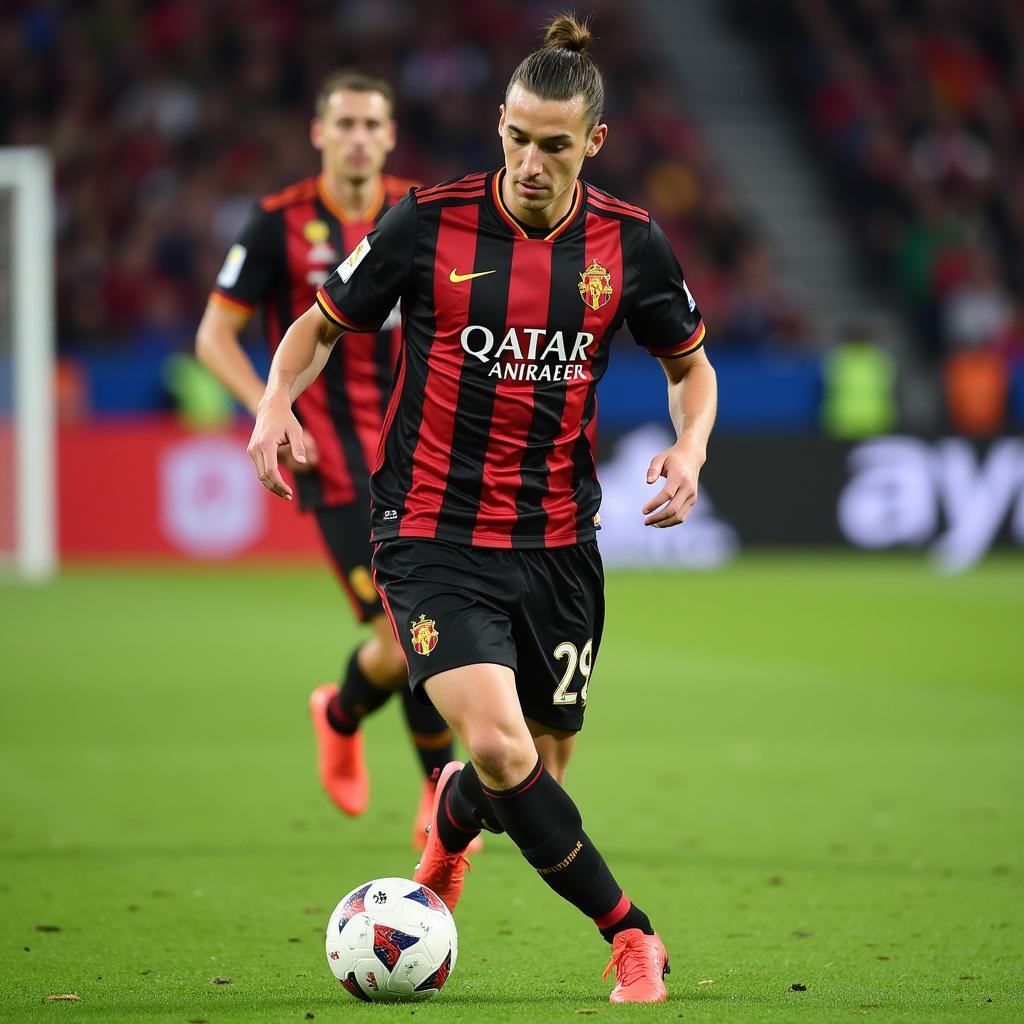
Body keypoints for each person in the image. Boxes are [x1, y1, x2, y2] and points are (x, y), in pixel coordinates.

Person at [248, 17, 717, 1005]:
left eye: (555, 144)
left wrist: (690, 441)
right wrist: (273, 403)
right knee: (504, 749)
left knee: (531, 769)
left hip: (556, 541)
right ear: (497, 123)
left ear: (593, 142)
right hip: (428, 533)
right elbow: (315, 327)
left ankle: (449, 830)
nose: (531, 161)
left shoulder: (628, 243)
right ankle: (631, 934)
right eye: (517, 137)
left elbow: (691, 368)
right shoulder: (428, 221)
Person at [196, 71, 470, 851]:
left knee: (413, 633)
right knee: (410, 627)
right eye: (343, 122)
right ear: (319, 133)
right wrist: (269, 403)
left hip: (425, 455)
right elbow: (214, 337)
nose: (356, 136)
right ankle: (437, 789)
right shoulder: (277, 222)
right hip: (336, 465)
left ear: (389, 136)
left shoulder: (421, 215)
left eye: (370, 124)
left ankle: (341, 712)